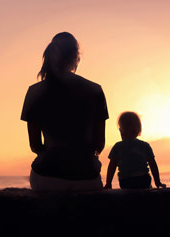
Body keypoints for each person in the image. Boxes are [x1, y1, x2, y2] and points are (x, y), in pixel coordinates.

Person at [21, 32, 109, 192]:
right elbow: (99, 144)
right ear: (77, 56)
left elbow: (35, 146)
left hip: (46, 177)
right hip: (86, 178)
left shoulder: (35, 92)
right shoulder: (95, 90)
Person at [104, 111, 166, 189]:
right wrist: (157, 182)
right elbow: (153, 165)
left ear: (121, 130)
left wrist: (108, 183)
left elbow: (111, 166)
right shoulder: (145, 145)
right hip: (143, 180)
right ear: (138, 130)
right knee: (147, 186)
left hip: (125, 182)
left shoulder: (117, 146)